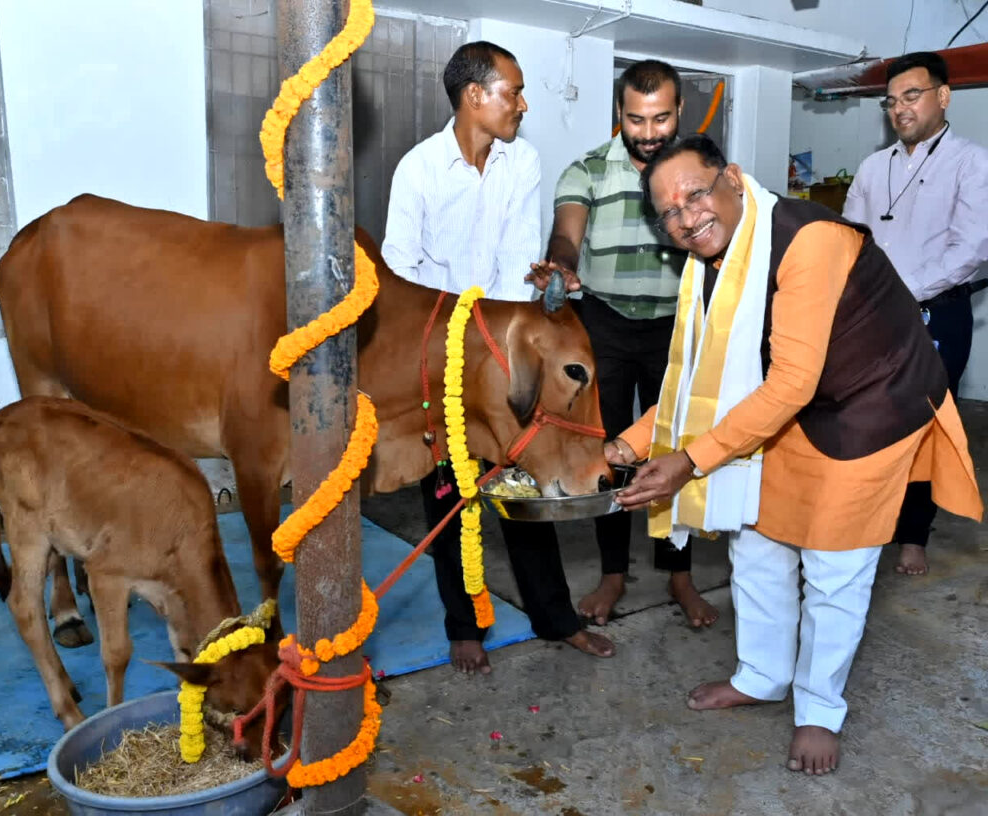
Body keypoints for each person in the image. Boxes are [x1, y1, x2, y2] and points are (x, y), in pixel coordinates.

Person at [610, 134, 981, 774]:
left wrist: (690, 461)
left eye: (695, 194)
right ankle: (762, 676)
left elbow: (790, 382)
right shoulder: (709, 263)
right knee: (757, 543)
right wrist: (629, 443)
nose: (687, 217)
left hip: (871, 408)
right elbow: (696, 378)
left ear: (732, 177)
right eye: (669, 212)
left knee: (835, 569)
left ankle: (818, 709)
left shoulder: (810, 240)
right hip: (788, 413)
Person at [382, 41, 615, 675]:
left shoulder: (524, 161)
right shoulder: (419, 169)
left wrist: (541, 290)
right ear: (473, 96)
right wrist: (460, 338)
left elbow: (516, 261)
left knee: (524, 484)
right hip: (438, 352)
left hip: (504, 350)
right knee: (448, 494)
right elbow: (401, 272)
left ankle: (555, 618)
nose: (522, 103)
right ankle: (465, 626)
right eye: (511, 91)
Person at [527, 60, 717, 629]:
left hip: (677, 327)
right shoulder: (586, 170)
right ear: (620, 113)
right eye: (637, 119)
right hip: (604, 324)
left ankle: (679, 573)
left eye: (661, 118)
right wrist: (560, 264)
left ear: (679, 111)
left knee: (675, 449)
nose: (650, 132)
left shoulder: (699, 176)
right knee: (606, 451)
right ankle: (614, 574)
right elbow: (567, 232)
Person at [843, 50, 988, 576]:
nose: (900, 109)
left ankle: (913, 534)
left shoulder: (971, 162)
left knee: (924, 423)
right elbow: (850, 239)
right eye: (891, 101)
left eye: (912, 95)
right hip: (870, 315)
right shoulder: (872, 166)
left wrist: (908, 292)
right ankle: (867, 518)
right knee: (866, 418)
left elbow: (971, 247)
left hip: (938, 315)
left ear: (943, 96)